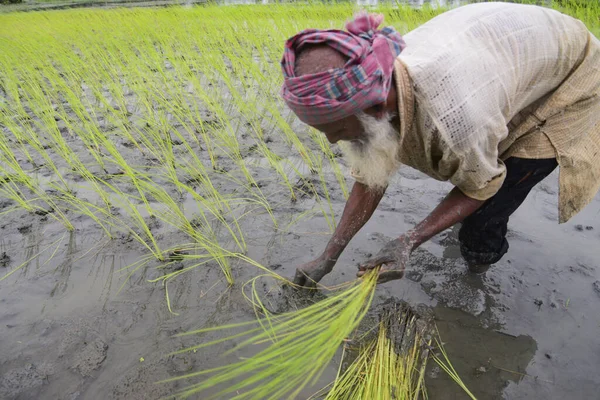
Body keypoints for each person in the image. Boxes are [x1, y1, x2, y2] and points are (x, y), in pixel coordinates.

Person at [280, 2, 600, 287]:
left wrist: (410, 240)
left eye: (336, 128)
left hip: (573, 74)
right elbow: (370, 178)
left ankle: (476, 271)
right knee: (481, 157)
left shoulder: (456, 115)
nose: (334, 139)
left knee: (486, 211)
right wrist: (328, 256)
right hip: (509, 57)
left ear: (375, 108)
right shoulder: (380, 83)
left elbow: (480, 185)